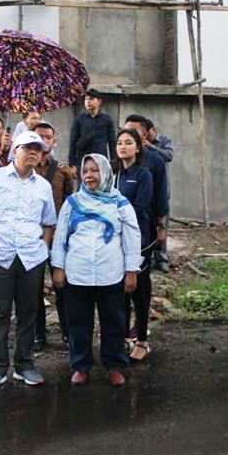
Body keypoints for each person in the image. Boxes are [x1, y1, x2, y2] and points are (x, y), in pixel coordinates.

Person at [0, 131, 57, 390]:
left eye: (37, 149)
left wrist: (43, 248)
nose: (33, 153)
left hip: (31, 258)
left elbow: (48, 222)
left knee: (28, 313)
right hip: (0, 256)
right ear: (14, 151)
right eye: (27, 147)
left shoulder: (43, 186)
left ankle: (24, 364)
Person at [51, 154, 141, 387]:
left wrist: (131, 271)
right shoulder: (73, 203)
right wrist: (58, 267)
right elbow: (60, 236)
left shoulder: (120, 203)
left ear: (105, 173)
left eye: (94, 170)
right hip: (77, 274)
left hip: (111, 274)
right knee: (78, 323)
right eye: (85, 171)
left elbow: (132, 238)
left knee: (114, 323)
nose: (89, 176)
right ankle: (80, 366)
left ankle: (114, 366)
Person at [32, 121, 77, 350]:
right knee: (33, 288)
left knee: (62, 286)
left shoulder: (63, 171)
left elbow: (70, 204)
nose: (43, 140)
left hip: (58, 236)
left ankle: (68, 333)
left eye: (48, 137)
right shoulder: (23, 169)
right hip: (31, 238)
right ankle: (38, 334)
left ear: (54, 141)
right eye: (39, 136)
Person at [112, 128, 155, 361]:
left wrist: (115, 216)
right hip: (115, 240)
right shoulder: (113, 175)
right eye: (119, 142)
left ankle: (142, 340)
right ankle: (122, 337)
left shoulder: (143, 174)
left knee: (139, 290)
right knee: (120, 292)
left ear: (137, 147)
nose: (123, 146)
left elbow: (140, 207)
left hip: (139, 239)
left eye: (128, 142)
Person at [123, 115, 169, 275]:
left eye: (133, 131)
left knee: (141, 270)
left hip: (145, 223)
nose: (128, 134)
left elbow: (161, 195)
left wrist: (161, 226)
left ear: (144, 135)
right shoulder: (116, 163)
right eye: (125, 130)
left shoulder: (155, 161)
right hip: (120, 223)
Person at [142, 117, 174, 273]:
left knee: (162, 225)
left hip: (162, 190)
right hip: (147, 191)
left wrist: (151, 147)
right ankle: (149, 258)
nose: (145, 137)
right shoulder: (139, 145)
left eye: (147, 133)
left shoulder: (165, 141)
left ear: (153, 130)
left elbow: (169, 156)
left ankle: (162, 258)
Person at [68, 89, 117, 173]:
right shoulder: (79, 119)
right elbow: (73, 142)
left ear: (99, 101)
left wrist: (114, 161)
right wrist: (72, 163)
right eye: (86, 99)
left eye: (91, 99)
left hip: (101, 161)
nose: (88, 102)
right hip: (83, 161)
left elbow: (112, 142)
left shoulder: (106, 119)